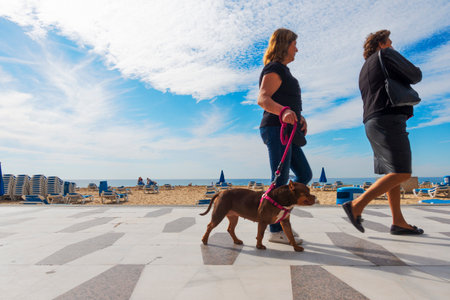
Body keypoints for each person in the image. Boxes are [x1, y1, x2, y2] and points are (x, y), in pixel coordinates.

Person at [343, 29, 424, 235]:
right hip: (388, 119)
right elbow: (415, 75)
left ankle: (398, 222)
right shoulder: (386, 55)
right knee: (401, 172)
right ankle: (357, 205)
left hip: (372, 122)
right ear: (381, 44)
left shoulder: (364, 69)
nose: (392, 45)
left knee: (391, 174)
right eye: (390, 42)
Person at [257, 28, 313, 244]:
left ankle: (279, 217)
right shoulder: (273, 68)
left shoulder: (284, 71)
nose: (297, 49)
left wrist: (300, 116)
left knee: (304, 174)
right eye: (294, 44)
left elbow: (285, 100)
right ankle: (275, 229)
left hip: (290, 130)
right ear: (284, 45)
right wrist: (283, 112)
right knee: (280, 179)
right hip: (275, 128)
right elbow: (263, 99)